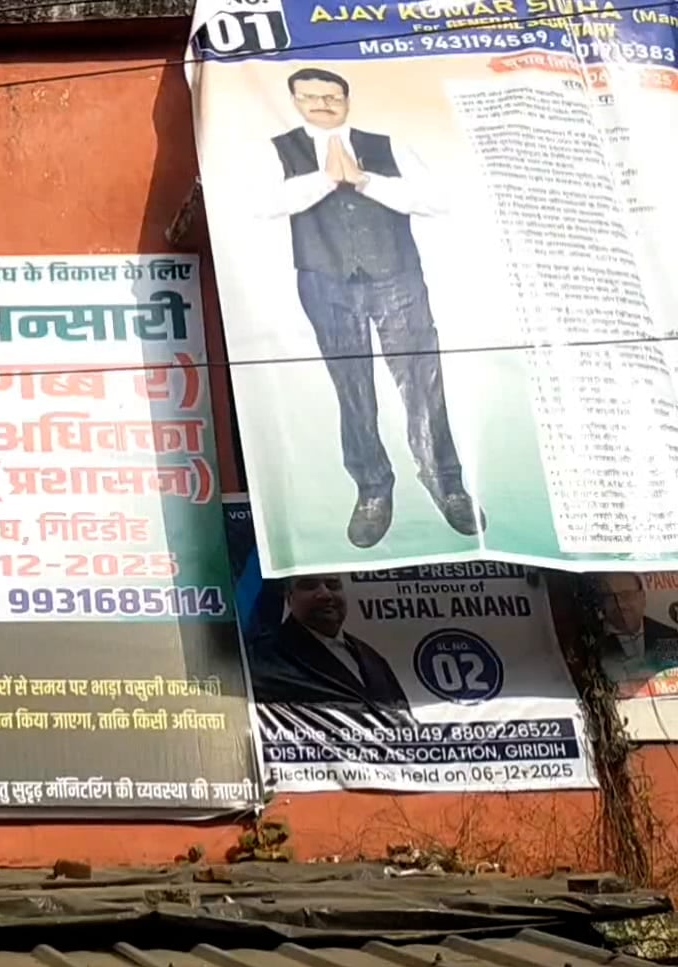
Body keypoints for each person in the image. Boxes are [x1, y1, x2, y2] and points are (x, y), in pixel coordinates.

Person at [264, 67, 482, 550]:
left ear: (347, 98)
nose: (322, 104)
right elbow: (263, 203)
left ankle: (447, 483)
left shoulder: (387, 144)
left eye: (331, 96)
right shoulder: (278, 149)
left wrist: (363, 180)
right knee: (353, 389)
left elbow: (435, 200)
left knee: (423, 383)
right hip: (324, 282)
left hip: (396, 277)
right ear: (295, 100)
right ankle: (372, 490)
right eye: (310, 96)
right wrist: (325, 180)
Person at [249, 574, 409, 710]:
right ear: (289, 598)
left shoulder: (372, 659)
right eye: (309, 586)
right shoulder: (263, 658)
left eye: (333, 585)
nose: (325, 594)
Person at [594, 571, 678, 688]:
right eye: (610, 598)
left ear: (642, 598)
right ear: (601, 604)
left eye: (626, 595)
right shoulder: (590, 641)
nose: (620, 604)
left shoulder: (669, 634)